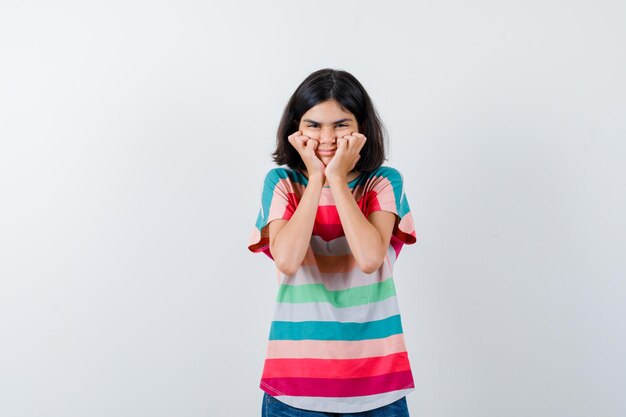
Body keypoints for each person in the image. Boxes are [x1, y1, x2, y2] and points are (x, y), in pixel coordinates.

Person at [248, 68, 417, 417]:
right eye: (313, 125)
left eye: (341, 124)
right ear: (296, 128)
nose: (327, 137)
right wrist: (314, 179)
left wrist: (337, 179)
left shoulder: (383, 182)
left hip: (376, 384)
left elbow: (370, 258)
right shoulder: (281, 182)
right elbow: (287, 260)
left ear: (361, 128)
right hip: (295, 385)